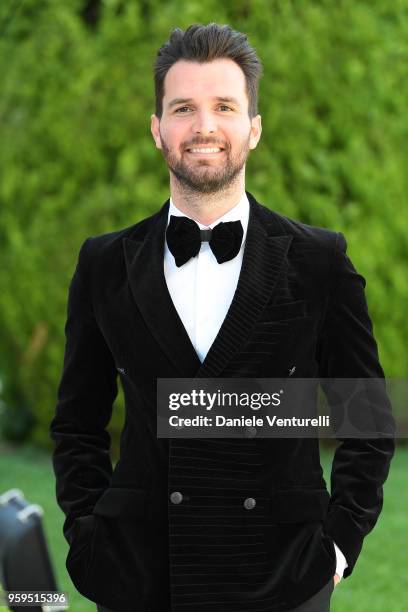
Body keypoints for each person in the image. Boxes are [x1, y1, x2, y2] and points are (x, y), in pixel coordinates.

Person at [49, 23, 395, 612]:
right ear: (158, 129)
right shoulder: (105, 263)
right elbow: (77, 423)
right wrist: (87, 532)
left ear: (253, 129)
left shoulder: (318, 260)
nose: (204, 126)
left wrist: (337, 547)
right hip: (141, 577)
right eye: (183, 107)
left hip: (283, 579)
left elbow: (367, 417)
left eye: (224, 106)